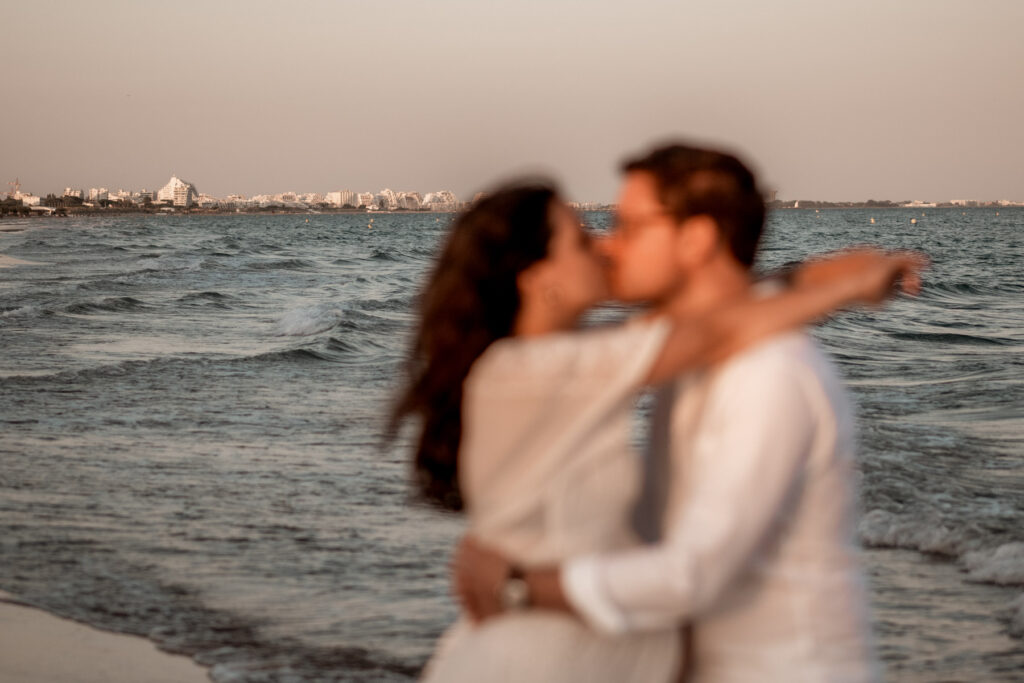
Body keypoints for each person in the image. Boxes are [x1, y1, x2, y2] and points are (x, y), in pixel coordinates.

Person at [392, 172, 921, 681]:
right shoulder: (529, 371)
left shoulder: (564, 359)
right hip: (534, 665)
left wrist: (825, 272)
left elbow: (699, 316)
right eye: (581, 240)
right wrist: (848, 289)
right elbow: (711, 331)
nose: (604, 245)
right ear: (537, 277)